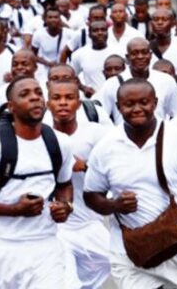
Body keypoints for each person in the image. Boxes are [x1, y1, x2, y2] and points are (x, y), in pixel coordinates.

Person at [0, 76, 74, 288]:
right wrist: (14, 209)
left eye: (39, 93)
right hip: (2, 249)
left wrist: (65, 206)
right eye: (25, 94)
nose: (35, 98)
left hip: (46, 247)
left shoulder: (60, 142)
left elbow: (64, 184)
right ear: (11, 107)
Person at [84, 78, 177, 288]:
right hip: (130, 255)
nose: (137, 109)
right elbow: (91, 195)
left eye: (144, 102)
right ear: (118, 107)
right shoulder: (106, 147)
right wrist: (114, 205)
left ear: (155, 103)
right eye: (129, 104)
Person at [47, 81, 111, 288]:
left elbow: (115, 171)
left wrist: (85, 166)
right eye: (57, 99)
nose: (63, 103)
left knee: (124, 263)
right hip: (56, 228)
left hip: (90, 223)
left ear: (79, 102)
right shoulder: (40, 135)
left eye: (69, 98)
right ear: (48, 104)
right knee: (67, 283)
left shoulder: (95, 133)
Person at [94, 38, 177, 124]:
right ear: (127, 58)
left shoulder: (166, 81)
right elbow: (97, 112)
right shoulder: (112, 83)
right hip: (125, 140)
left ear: (150, 55)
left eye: (144, 52)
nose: (140, 56)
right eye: (135, 53)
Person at [71, 20, 121, 96]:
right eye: (95, 31)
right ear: (89, 34)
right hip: (92, 99)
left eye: (103, 30)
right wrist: (83, 88)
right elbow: (71, 76)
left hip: (117, 96)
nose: (100, 33)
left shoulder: (119, 51)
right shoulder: (79, 54)